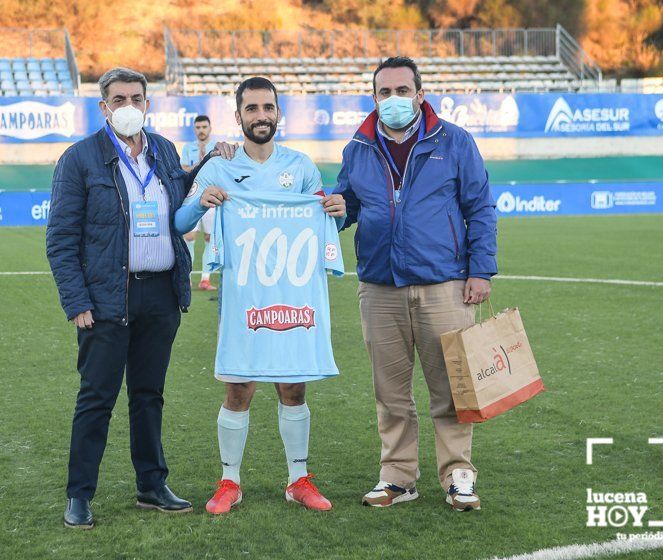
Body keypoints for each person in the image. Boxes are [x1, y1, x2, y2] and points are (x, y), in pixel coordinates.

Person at [46, 67, 234, 529]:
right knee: (97, 398)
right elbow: (60, 238)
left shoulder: (164, 151)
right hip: (107, 297)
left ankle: (151, 484)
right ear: (103, 107)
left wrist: (215, 159)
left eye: (136, 98)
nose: (128, 106)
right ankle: (79, 494)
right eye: (118, 99)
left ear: (148, 103)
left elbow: (183, 192)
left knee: (149, 395)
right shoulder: (79, 159)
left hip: (160, 295)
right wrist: (77, 301)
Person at [174, 77, 346, 515]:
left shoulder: (302, 167)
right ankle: (229, 481)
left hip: (293, 296)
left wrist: (336, 212)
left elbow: (322, 217)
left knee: (293, 387)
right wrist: (201, 204)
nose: (261, 116)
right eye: (252, 109)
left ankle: (298, 479)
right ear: (238, 117)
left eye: (268, 107)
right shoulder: (218, 167)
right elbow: (179, 220)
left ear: (278, 114)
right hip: (243, 299)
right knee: (239, 387)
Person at [333, 57, 498, 511]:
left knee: (451, 387)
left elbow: (480, 208)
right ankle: (398, 477)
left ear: (420, 95)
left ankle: (458, 474)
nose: (393, 100)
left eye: (401, 90)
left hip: (444, 283)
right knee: (390, 392)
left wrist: (480, 271)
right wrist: (337, 208)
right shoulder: (358, 148)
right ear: (374, 98)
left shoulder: (455, 141)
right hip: (379, 286)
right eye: (384, 93)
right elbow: (349, 203)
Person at [180, 115, 218, 291]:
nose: (201, 130)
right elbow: (184, 169)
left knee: (210, 237)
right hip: (192, 197)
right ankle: (186, 278)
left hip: (212, 198)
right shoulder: (188, 148)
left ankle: (205, 279)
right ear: (194, 129)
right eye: (198, 127)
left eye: (204, 127)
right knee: (189, 237)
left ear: (210, 128)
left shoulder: (218, 147)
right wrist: (200, 165)